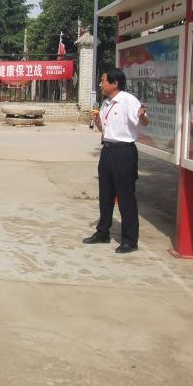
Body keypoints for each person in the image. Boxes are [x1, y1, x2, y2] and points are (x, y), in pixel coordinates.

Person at [83, 68, 149, 254]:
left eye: (103, 81)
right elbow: (104, 130)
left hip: (124, 152)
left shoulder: (128, 100)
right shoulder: (106, 103)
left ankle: (130, 240)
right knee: (105, 194)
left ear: (115, 83)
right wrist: (97, 122)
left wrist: (142, 116)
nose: (100, 84)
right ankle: (102, 232)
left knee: (125, 196)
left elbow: (144, 121)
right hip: (107, 150)